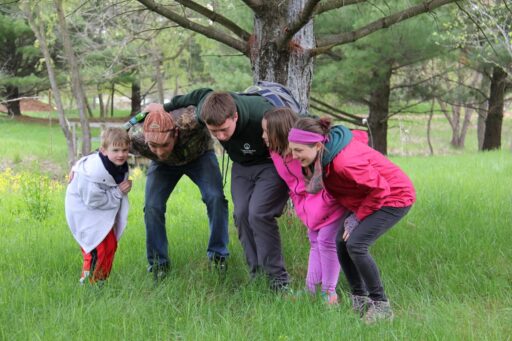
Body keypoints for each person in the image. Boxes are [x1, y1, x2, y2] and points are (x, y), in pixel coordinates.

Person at [288, 117, 416, 323]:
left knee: (357, 245)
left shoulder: (343, 162)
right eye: (292, 149)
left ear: (318, 145)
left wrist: (357, 217)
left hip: (394, 197)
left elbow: (380, 189)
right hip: (367, 198)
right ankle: (360, 300)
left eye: (298, 150)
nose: (294, 156)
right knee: (340, 242)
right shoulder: (326, 155)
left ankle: (381, 305)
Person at [164, 89, 290, 291]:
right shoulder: (207, 105)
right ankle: (256, 274)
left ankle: (278, 280)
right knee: (241, 215)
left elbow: (297, 123)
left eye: (224, 129)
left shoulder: (262, 113)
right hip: (242, 165)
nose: (220, 136)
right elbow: (195, 96)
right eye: (214, 132)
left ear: (235, 116)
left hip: (270, 164)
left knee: (258, 214)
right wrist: (163, 107)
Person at [129, 105, 229, 279]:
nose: (159, 151)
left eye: (164, 145)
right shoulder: (136, 137)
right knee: (152, 207)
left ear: (175, 133)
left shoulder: (190, 121)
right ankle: (158, 266)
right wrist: (80, 168)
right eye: (153, 146)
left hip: (200, 156)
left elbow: (213, 105)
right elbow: (107, 150)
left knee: (215, 198)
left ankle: (218, 257)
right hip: (163, 166)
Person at [261, 107, 345, 304]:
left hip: (327, 200)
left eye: (266, 131)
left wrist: (318, 204)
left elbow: (323, 180)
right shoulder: (275, 152)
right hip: (307, 204)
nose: (263, 135)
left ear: (279, 130)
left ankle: (329, 293)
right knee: (314, 239)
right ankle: (311, 290)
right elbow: (293, 184)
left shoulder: (303, 152)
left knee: (326, 239)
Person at [65, 127, 132, 284]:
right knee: (95, 248)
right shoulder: (92, 173)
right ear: (103, 150)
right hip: (86, 213)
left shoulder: (116, 164)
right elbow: (93, 200)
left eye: (125, 150)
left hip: (101, 212)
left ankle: (101, 281)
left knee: (110, 245)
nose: (121, 154)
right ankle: (88, 283)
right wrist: (118, 193)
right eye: (115, 150)